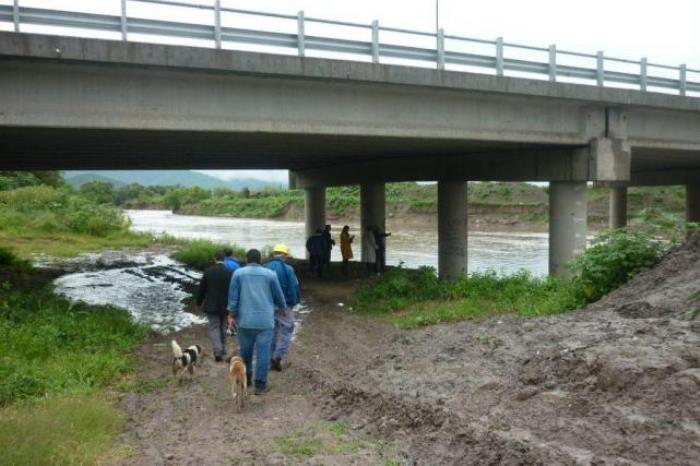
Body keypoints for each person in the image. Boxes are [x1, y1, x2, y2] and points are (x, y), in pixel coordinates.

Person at [228, 249, 287, 395]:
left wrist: (231, 316)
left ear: (246, 260)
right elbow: (278, 295)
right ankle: (260, 386)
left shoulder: (238, 274)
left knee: (246, 353)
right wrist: (282, 308)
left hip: (245, 321)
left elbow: (233, 299)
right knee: (263, 354)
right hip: (265, 322)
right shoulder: (270, 275)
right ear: (260, 260)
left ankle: (246, 380)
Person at [264, 243, 300, 371]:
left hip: (267, 306)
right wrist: (293, 302)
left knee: (271, 332)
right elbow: (293, 287)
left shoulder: (265, 268)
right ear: (284, 255)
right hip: (284, 306)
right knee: (287, 329)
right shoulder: (288, 269)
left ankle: (269, 358)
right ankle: (278, 356)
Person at [195, 250, 233, 362]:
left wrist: (198, 302)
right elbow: (233, 290)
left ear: (214, 258)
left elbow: (202, 289)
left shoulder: (208, 271)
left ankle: (217, 351)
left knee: (214, 327)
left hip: (211, 304)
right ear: (225, 259)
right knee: (223, 326)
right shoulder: (229, 272)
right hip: (226, 305)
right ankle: (223, 349)